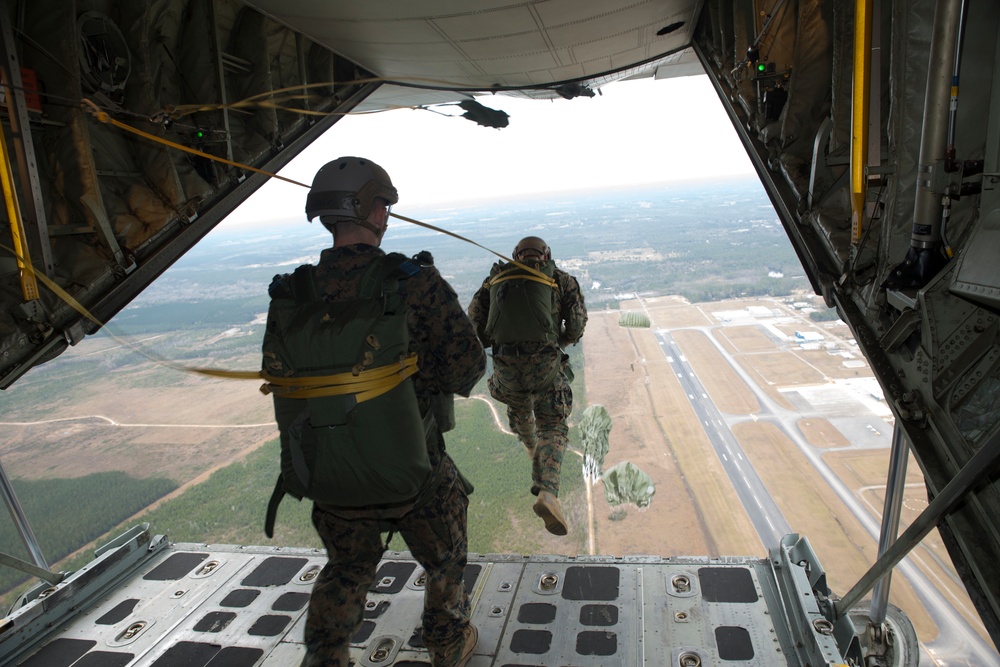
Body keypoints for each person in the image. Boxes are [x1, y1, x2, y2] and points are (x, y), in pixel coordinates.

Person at [263, 157, 485, 667]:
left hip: (329, 470)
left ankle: (325, 657)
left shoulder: (291, 293)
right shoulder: (412, 280)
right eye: (383, 202)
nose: (386, 213)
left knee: (347, 566)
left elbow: (281, 373)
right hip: (413, 470)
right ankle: (447, 643)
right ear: (369, 208)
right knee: (446, 558)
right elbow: (466, 366)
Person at [467, 236, 587, 536]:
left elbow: (475, 327)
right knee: (554, 425)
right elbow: (576, 325)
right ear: (546, 255)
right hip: (545, 367)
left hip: (507, 369)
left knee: (519, 407)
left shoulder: (495, 280)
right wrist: (556, 342)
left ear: (515, 255)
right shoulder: (561, 280)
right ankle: (547, 491)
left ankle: (531, 448)